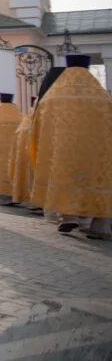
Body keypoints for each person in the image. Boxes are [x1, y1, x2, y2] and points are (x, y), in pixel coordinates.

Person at [28, 55, 112, 240]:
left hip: (63, 151)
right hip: (96, 151)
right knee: (98, 181)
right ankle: (102, 225)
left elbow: (37, 126)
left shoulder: (53, 97)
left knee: (66, 181)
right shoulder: (101, 95)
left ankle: (69, 215)